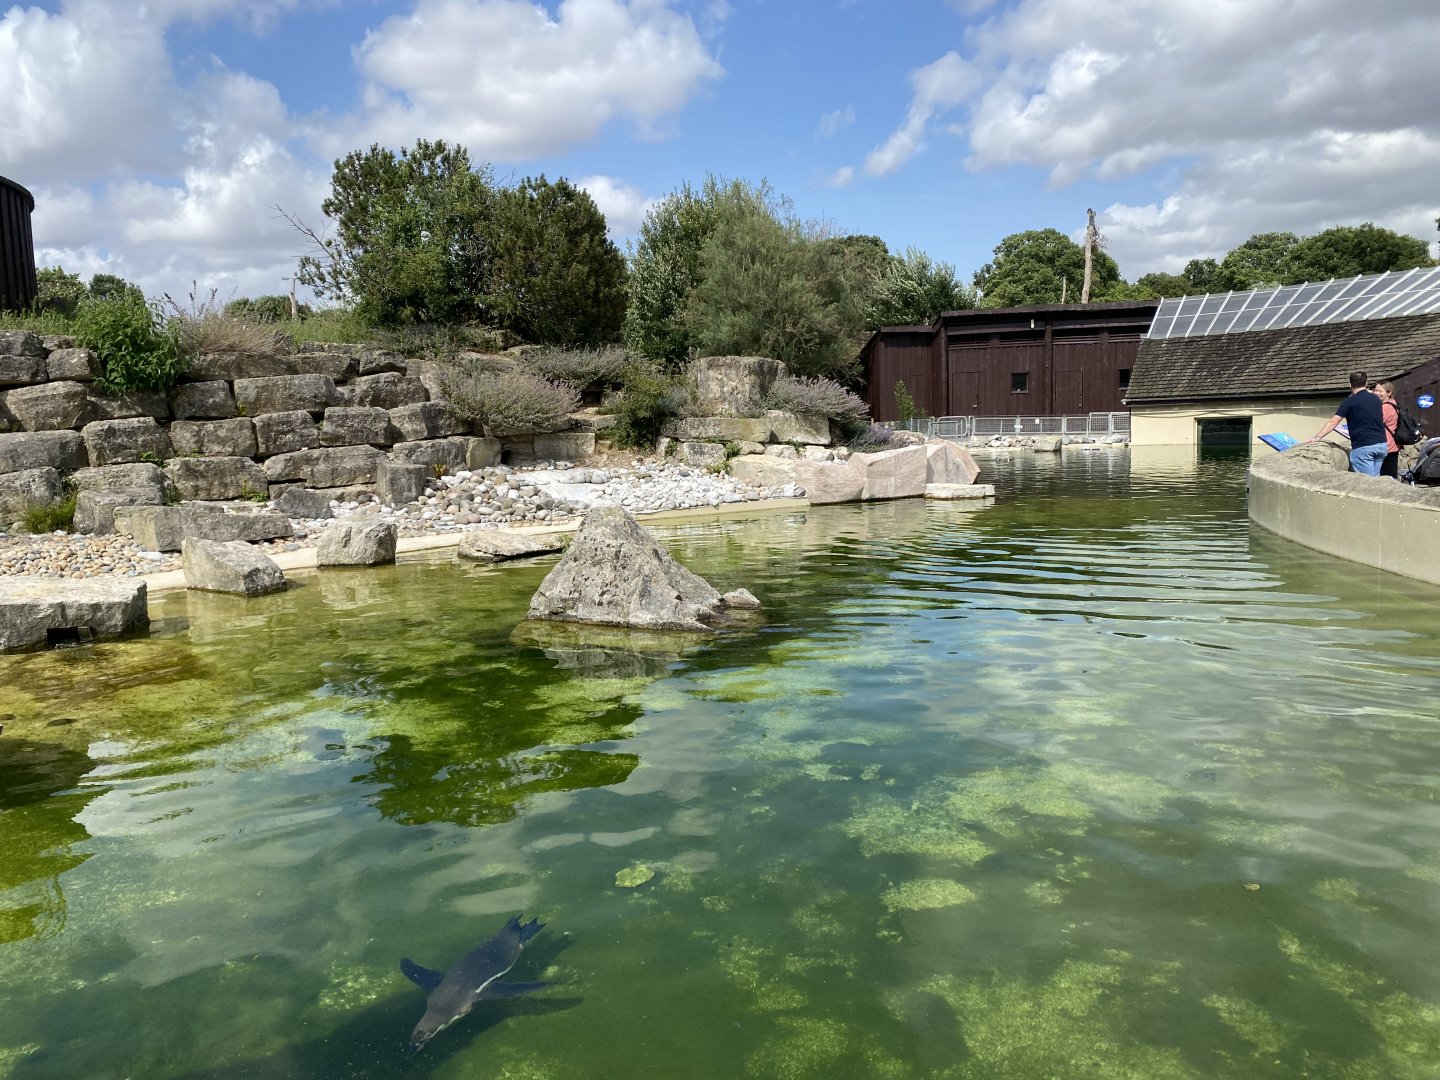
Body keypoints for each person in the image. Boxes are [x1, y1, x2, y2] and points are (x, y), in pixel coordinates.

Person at [1307, 371, 1387, 475]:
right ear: (1366, 383)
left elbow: (1334, 421)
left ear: (1350, 385)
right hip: (1381, 444)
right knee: (1377, 479)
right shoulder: (1376, 399)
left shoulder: (1350, 401)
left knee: (1368, 483)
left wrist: (1317, 437)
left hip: (1363, 446)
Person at [1375, 381, 1400, 478]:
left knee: (1387, 476)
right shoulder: (1393, 403)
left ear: (1389, 393)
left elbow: (1375, 422)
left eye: (1380, 391)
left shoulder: (1386, 407)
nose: (1377, 393)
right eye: (1375, 390)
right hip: (1392, 445)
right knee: (1391, 474)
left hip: (1387, 446)